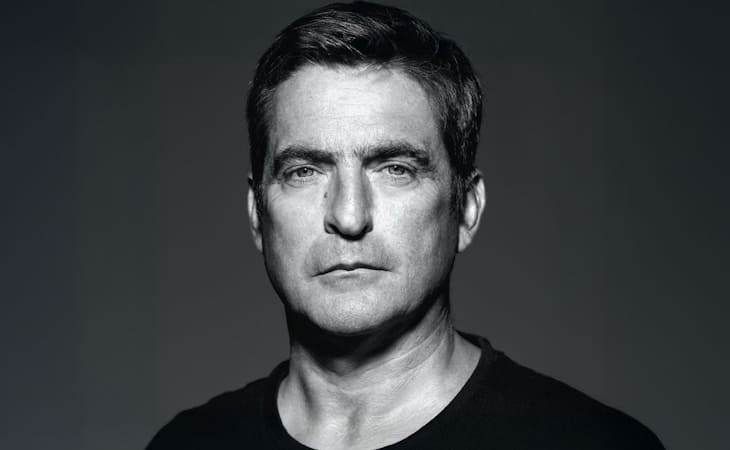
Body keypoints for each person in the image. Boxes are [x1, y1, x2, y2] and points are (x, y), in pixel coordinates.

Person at [147, 2, 664, 449]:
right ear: (257, 214)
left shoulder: (594, 445)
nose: (348, 216)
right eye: (304, 171)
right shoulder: (187, 445)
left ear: (467, 208)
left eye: (395, 169)